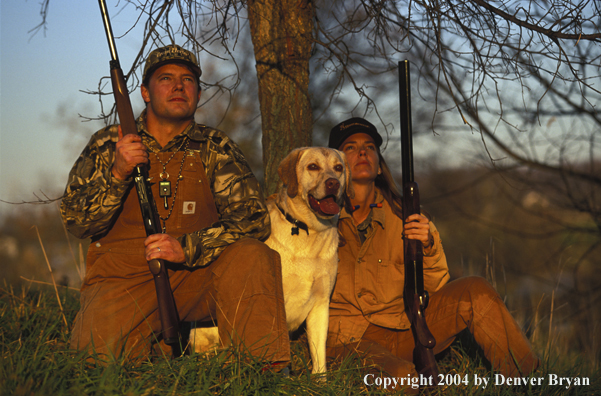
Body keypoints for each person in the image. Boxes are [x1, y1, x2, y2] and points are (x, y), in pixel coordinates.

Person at [60, 44, 290, 365]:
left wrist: (187, 248)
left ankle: (265, 372)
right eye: (165, 78)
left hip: (196, 276)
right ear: (145, 92)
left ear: (198, 93)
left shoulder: (216, 146)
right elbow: (77, 221)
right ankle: (160, 349)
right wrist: (118, 173)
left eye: (188, 80)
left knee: (252, 256)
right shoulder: (108, 144)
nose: (179, 86)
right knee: (96, 364)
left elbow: (252, 221)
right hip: (122, 280)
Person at [325, 117, 539, 391]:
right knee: (404, 379)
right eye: (351, 147)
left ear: (379, 164)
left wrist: (427, 245)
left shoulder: (405, 216)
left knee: (476, 290)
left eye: (369, 146)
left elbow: (437, 286)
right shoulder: (320, 217)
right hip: (347, 340)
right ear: (337, 165)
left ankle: (528, 382)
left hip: (404, 330)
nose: (363, 152)